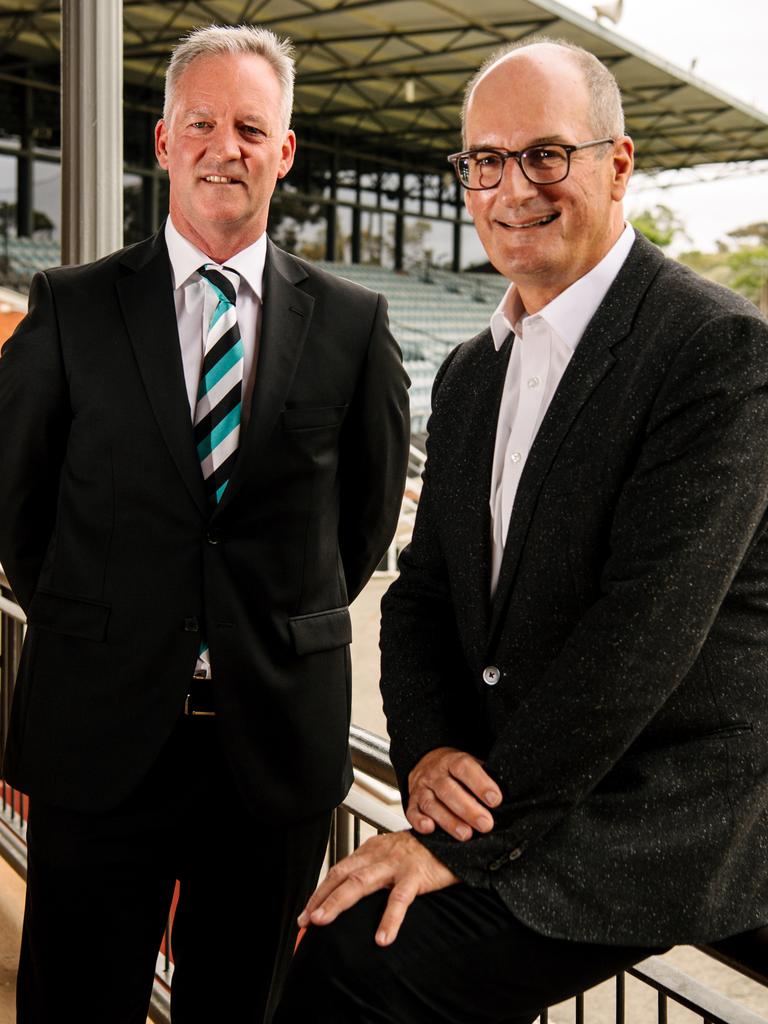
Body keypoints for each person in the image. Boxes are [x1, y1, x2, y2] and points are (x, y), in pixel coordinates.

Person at [274, 37, 768, 1024]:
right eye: (484, 162)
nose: (511, 188)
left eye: (547, 154)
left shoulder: (717, 348)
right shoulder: (470, 373)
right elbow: (420, 593)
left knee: (358, 965)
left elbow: (645, 632)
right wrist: (426, 753)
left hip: (661, 805)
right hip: (529, 779)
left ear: (617, 164)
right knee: (339, 943)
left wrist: (459, 839)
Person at [0, 23, 409, 1024]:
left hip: (269, 753)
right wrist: (121, 619)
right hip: (98, 738)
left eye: (250, 125)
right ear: (163, 141)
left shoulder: (354, 327)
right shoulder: (69, 307)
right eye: (202, 123)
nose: (225, 145)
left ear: (286, 150)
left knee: (241, 1009)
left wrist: (249, 628)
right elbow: (17, 511)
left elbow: (359, 530)